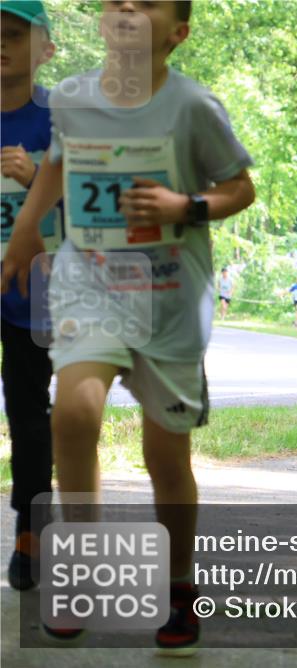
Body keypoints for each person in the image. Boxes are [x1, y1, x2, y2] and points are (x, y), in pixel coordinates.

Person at [1, 0, 255, 654]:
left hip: (170, 297)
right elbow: (58, 166)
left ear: (177, 33)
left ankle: (177, 585)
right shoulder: (75, 99)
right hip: (92, 282)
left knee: (164, 457)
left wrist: (186, 204)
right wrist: (26, 235)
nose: (125, 8)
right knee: (73, 415)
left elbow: (240, 189)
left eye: (145, 3)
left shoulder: (195, 107)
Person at [1, 0, 56, 592]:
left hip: (38, 290)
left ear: (44, 48)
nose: (1, 44)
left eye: (13, 34)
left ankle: (30, 533)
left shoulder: (61, 120)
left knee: (29, 414)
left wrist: (34, 181)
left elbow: (96, 205)